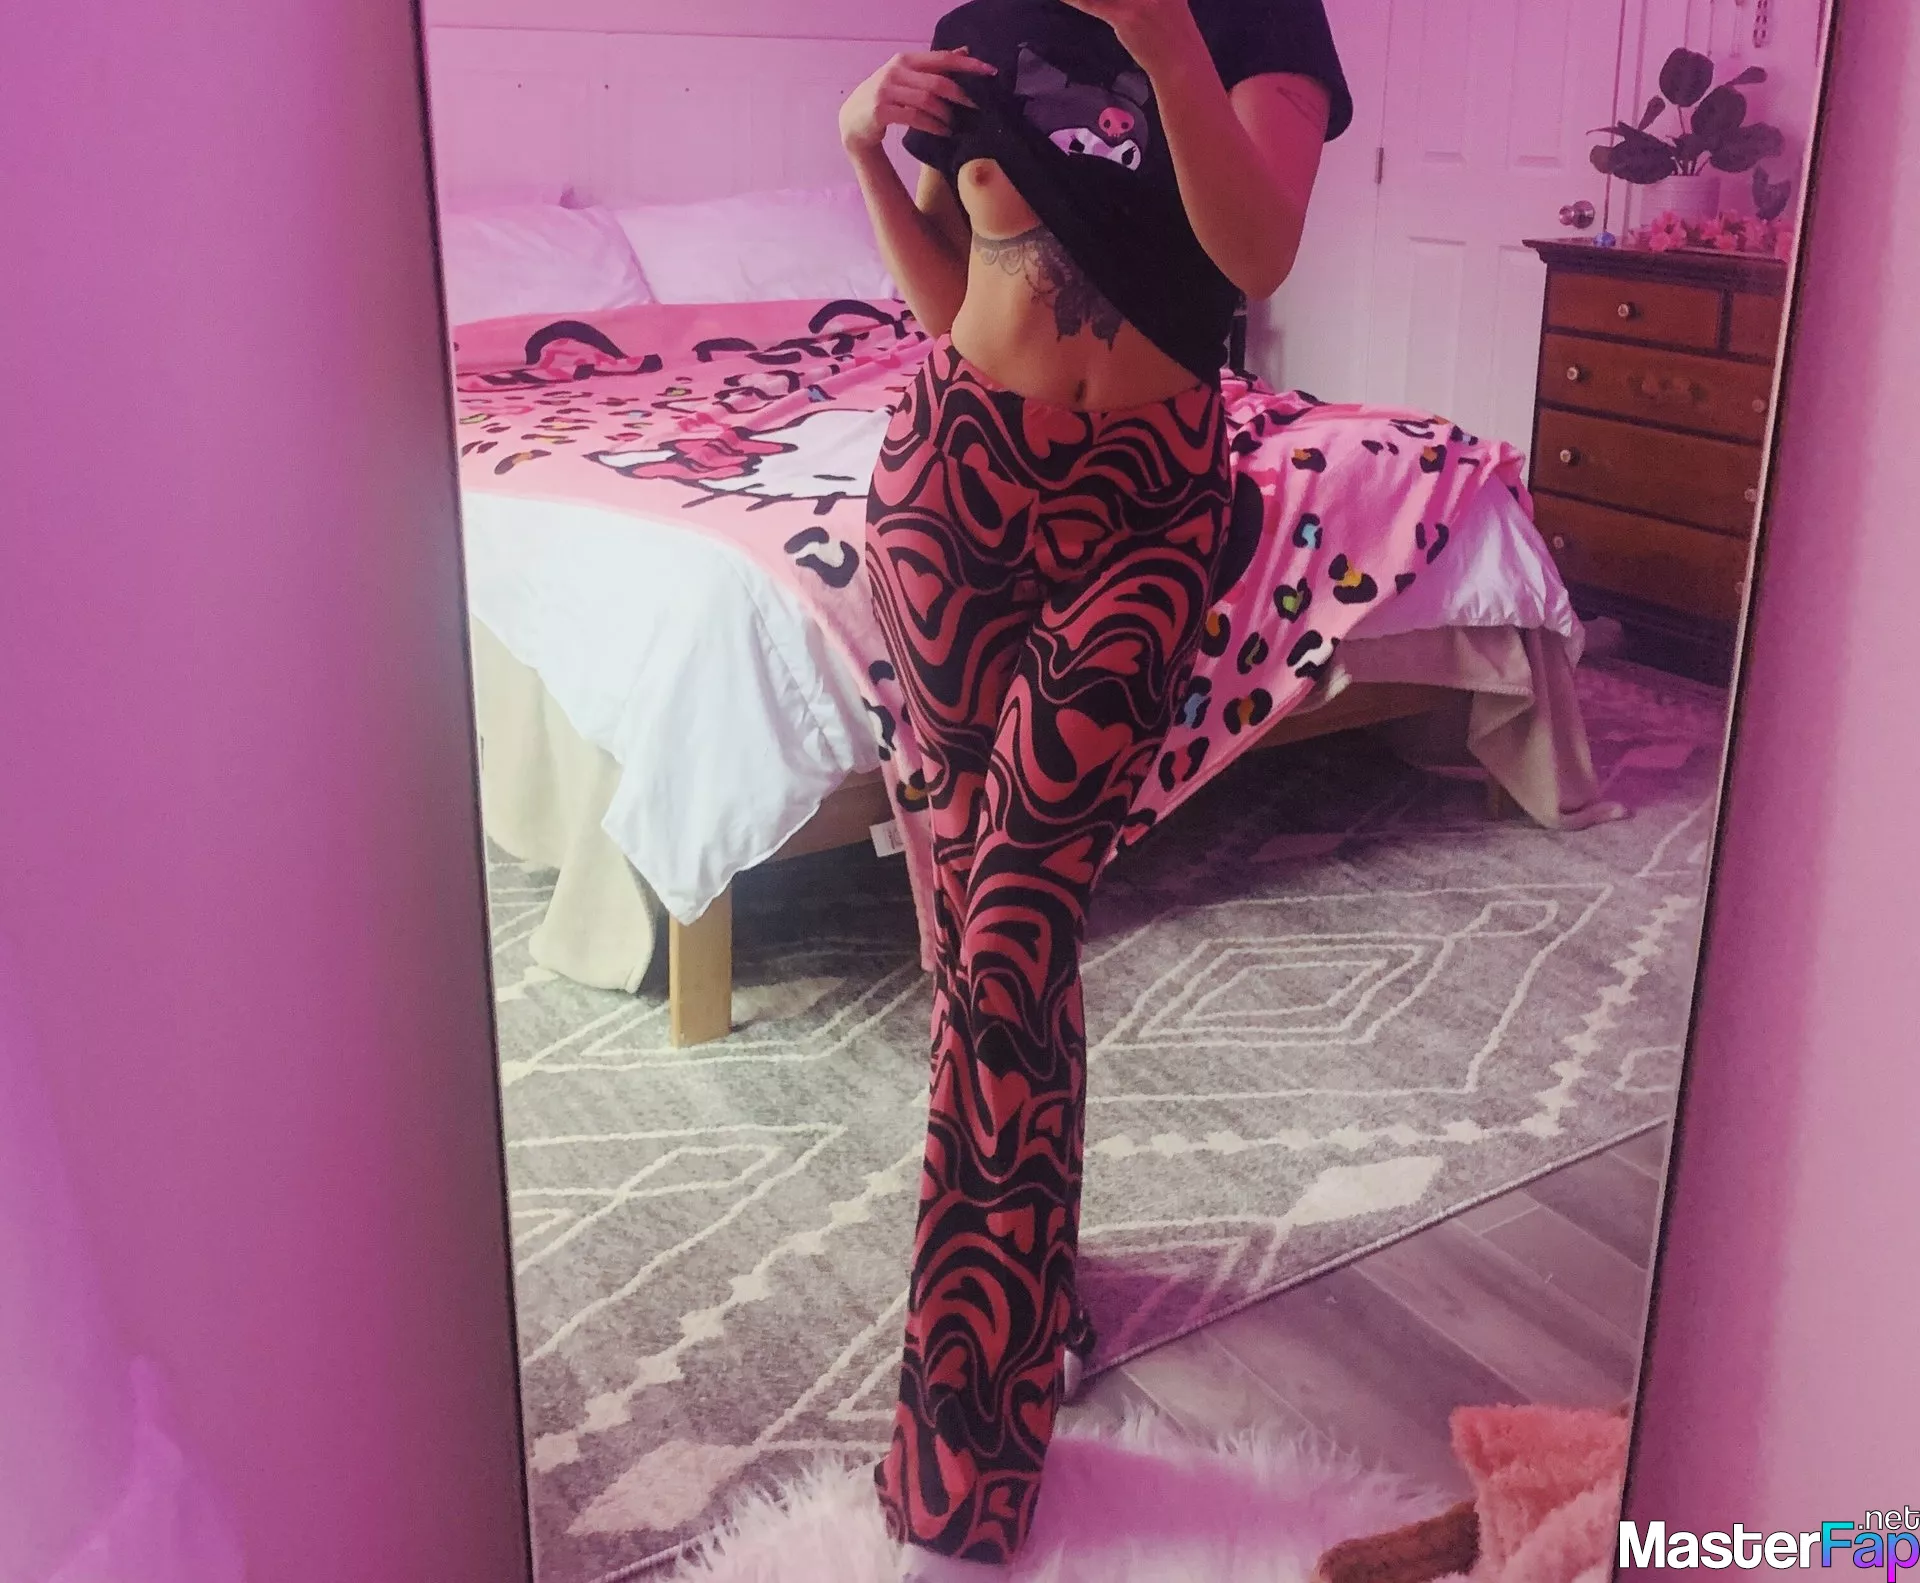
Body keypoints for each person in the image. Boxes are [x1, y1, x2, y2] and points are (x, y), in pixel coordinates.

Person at [838, 3, 1352, 1575]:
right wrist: (864, 150)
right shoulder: (984, 29)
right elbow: (955, 293)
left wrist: (1164, 43)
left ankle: (959, 1467)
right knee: (982, 932)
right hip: (952, 484)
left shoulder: (1259, 23)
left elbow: (1254, 256)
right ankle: (1032, 1286)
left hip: (1146, 507)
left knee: (1010, 923)